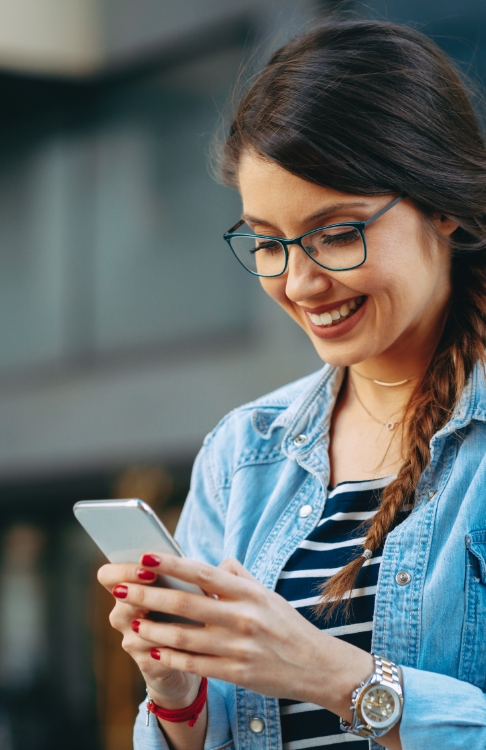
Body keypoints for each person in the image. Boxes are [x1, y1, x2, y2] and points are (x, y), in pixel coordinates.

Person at [98, 19, 486, 750]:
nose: (300, 282)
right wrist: (181, 699)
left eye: (337, 233)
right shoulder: (244, 453)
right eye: (269, 243)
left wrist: (336, 677)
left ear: (444, 204)